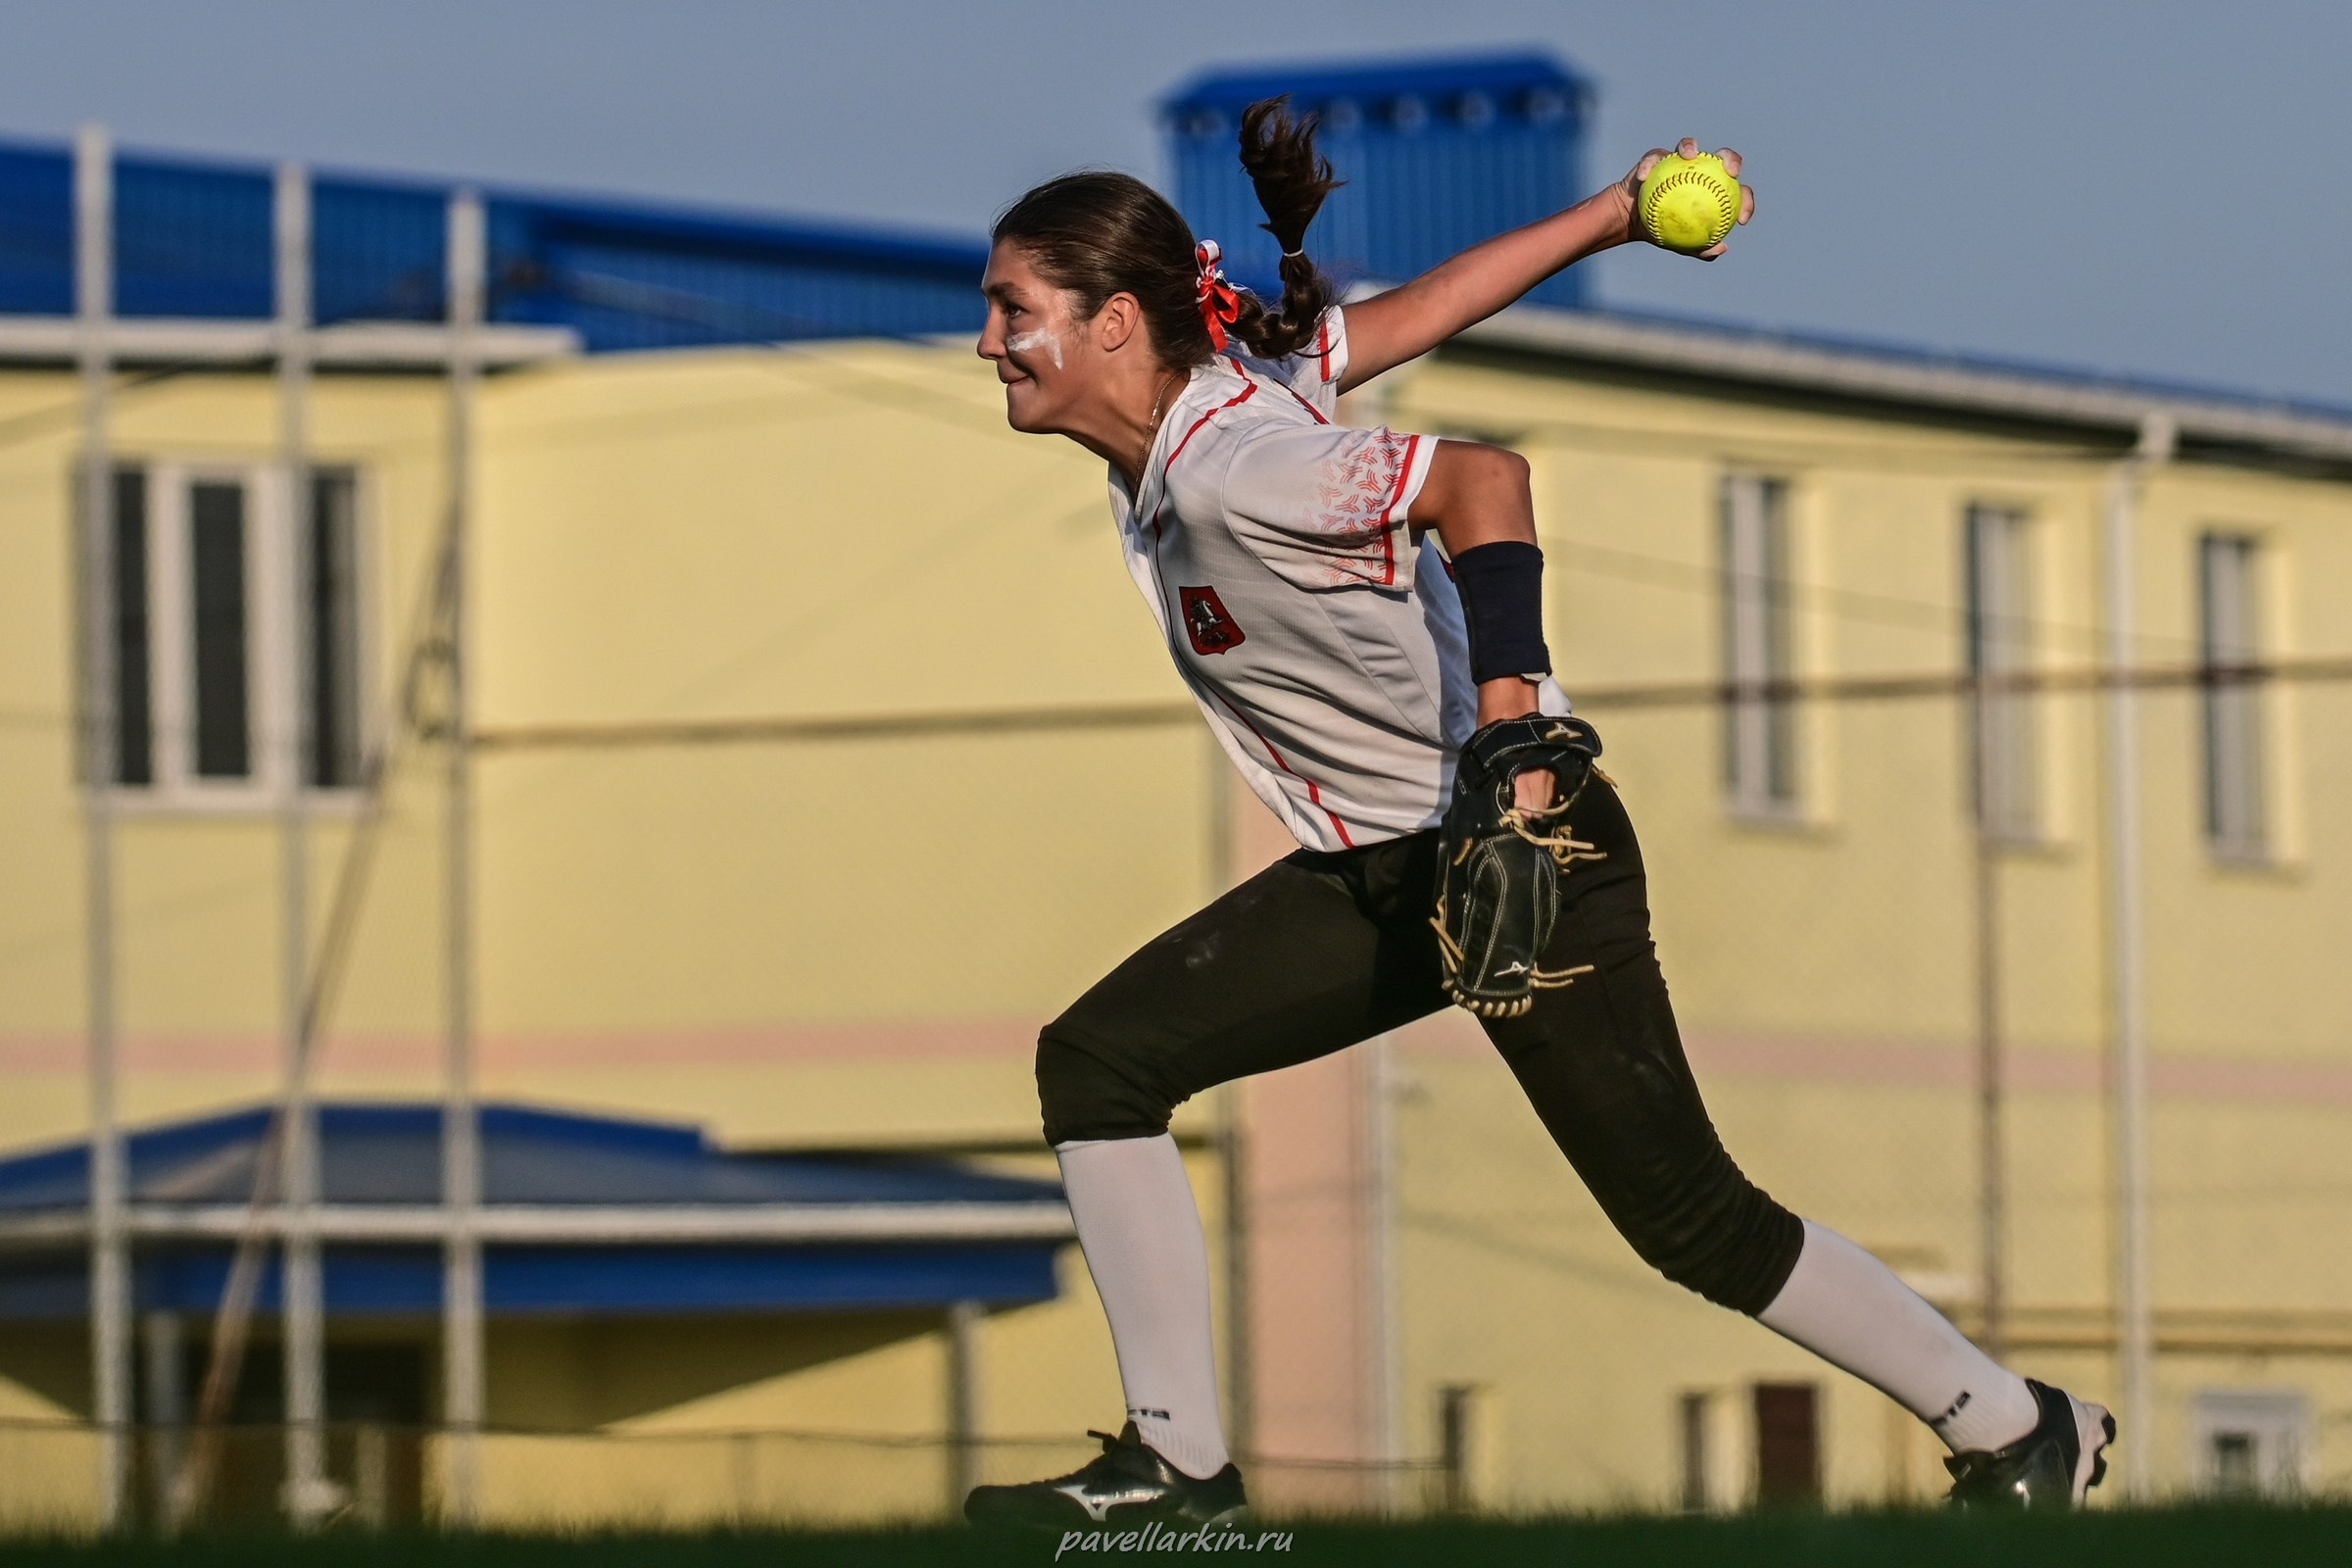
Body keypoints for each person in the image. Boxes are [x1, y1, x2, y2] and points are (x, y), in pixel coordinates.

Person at [960, 102, 2112, 1528]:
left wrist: (1513, 724)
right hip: (1386, 870)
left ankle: (2020, 1428)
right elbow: (1421, 311)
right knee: (1101, 1062)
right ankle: (1177, 1468)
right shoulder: (1218, 413)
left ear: (1118, 322)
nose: (989, 339)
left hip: (1526, 847)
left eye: (1014, 308)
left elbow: (1481, 478)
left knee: (1690, 1219)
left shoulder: (1234, 465)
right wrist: (1616, 213)